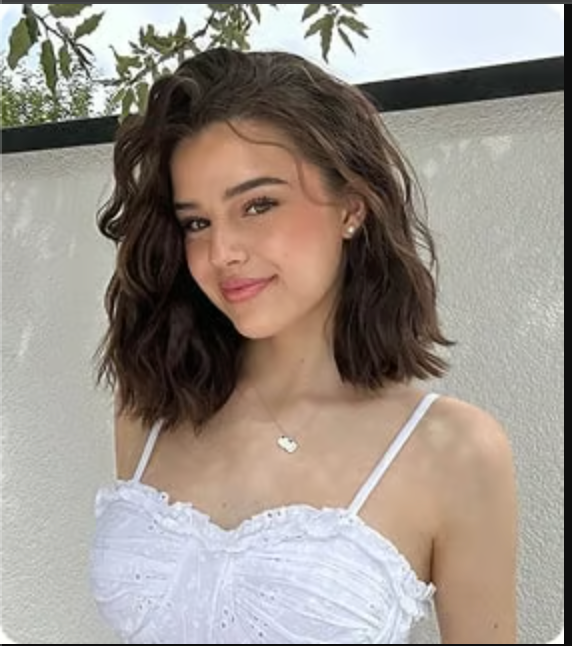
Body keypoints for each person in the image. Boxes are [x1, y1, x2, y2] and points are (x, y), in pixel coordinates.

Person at [89, 47, 518, 645]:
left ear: (351, 207)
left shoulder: (453, 450)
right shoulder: (152, 407)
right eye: (196, 223)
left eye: (258, 205)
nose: (222, 252)